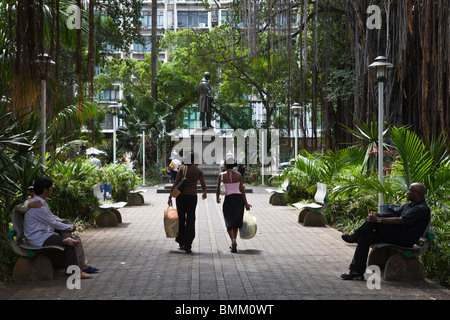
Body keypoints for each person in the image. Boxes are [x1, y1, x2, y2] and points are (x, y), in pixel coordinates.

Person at [340, 182, 431, 280]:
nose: (407, 192)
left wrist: (378, 219)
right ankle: (356, 272)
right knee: (365, 237)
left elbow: (400, 220)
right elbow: (394, 214)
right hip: (396, 235)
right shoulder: (409, 205)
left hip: (405, 239)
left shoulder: (421, 209)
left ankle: (354, 237)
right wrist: (378, 215)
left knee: (375, 222)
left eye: (410, 190)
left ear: (417, 193)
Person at [23, 177, 99, 279]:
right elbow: (52, 223)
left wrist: (67, 224)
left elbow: (52, 217)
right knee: (69, 245)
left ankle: (66, 239)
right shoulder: (38, 206)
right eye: (50, 188)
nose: (51, 190)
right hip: (39, 238)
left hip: (44, 233)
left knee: (66, 227)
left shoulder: (40, 202)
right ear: (45, 190)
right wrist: (70, 227)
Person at [168, 152, 207, 253]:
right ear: (193, 160)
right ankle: (188, 245)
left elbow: (176, 183)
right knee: (191, 219)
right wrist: (204, 192)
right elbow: (203, 184)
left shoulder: (182, 169)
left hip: (180, 197)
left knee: (181, 218)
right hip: (192, 197)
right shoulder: (198, 171)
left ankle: (181, 242)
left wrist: (170, 196)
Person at [216, 158, 252, 253]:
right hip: (239, 199)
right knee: (236, 222)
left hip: (229, 199)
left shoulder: (222, 175)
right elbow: (242, 189)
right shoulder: (239, 175)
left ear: (225, 165)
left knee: (229, 221)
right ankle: (234, 241)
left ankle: (233, 240)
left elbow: (218, 188)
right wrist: (246, 203)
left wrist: (217, 198)